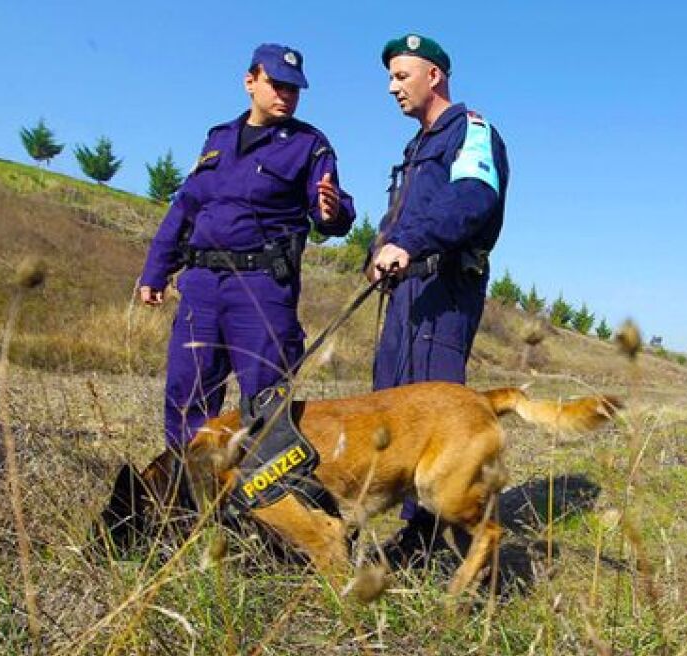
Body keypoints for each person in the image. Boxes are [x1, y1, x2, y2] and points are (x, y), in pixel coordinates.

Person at [138, 43, 355, 449]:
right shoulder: (217, 139)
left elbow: (332, 210)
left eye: (294, 89)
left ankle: (264, 504)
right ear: (250, 82)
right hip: (200, 285)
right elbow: (185, 208)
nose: (285, 95)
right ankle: (190, 498)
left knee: (265, 401)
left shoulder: (309, 145)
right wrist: (156, 270)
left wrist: (332, 211)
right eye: (277, 85)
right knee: (188, 395)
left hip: (260, 287)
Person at [368, 33, 510, 562]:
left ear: (435, 76)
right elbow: (400, 215)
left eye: (401, 76)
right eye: (389, 78)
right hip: (407, 290)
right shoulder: (417, 147)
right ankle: (409, 523)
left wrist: (409, 243)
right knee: (392, 403)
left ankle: (428, 536)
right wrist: (378, 250)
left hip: (444, 287)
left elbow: (473, 199)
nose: (391, 88)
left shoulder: (472, 131)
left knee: (433, 410)